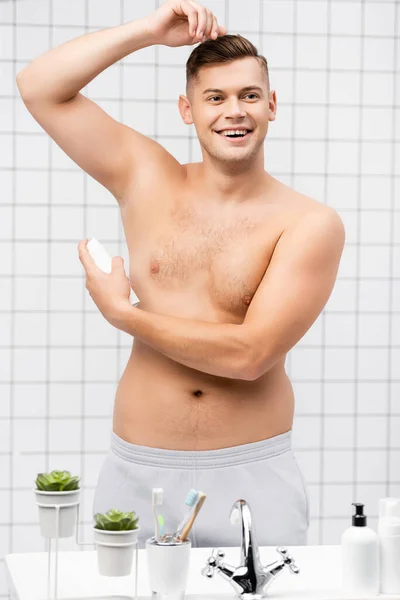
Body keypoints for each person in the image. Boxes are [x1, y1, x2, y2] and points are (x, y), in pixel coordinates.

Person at [16, 0, 345, 549]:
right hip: (139, 470)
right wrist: (148, 31)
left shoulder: (310, 223)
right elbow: (38, 86)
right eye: (214, 98)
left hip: (252, 476)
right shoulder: (147, 179)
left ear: (271, 106)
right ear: (187, 110)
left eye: (248, 96)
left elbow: (250, 355)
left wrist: (125, 315)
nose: (232, 111)